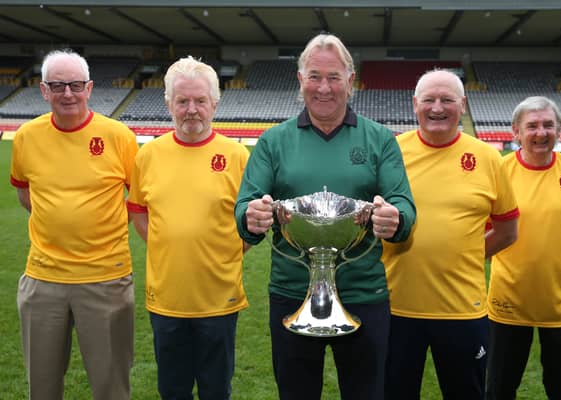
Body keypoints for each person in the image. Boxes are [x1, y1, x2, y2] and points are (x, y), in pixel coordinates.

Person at [234, 33, 416, 400]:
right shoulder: (273, 142)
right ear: (299, 80)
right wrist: (250, 217)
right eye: (314, 76)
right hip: (291, 292)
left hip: (364, 293)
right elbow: (247, 205)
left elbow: (403, 204)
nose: (324, 88)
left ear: (351, 81)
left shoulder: (380, 139)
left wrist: (395, 218)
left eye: (334, 77)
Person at [381, 69, 520, 400]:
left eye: (447, 100)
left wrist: (465, 253)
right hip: (394, 308)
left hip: (463, 309)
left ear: (464, 104)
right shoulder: (389, 152)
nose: (437, 108)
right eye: (428, 100)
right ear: (415, 104)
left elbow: (507, 231)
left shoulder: (488, 158)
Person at [9, 49, 137, 400]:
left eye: (76, 85)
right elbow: (26, 195)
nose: (68, 93)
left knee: (111, 387)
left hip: (106, 280)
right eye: (58, 85)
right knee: (43, 387)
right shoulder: (26, 137)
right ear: (43, 90)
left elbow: (139, 199)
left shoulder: (119, 136)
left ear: (90, 88)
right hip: (42, 280)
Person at [127, 56, 250, 400]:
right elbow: (139, 213)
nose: (191, 109)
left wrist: (222, 253)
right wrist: (169, 246)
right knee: (173, 389)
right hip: (166, 300)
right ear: (169, 103)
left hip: (219, 301)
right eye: (182, 101)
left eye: (200, 101)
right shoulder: (148, 155)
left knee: (216, 390)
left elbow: (250, 225)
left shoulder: (237, 156)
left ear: (215, 103)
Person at [485, 96, 561, 400]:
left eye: (548, 125)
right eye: (532, 125)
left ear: (559, 129)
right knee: (499, 388)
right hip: (507, 301)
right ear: (516, 131)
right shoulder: (498, 171)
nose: (541, 132)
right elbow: (484, 234)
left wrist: (559, 262)